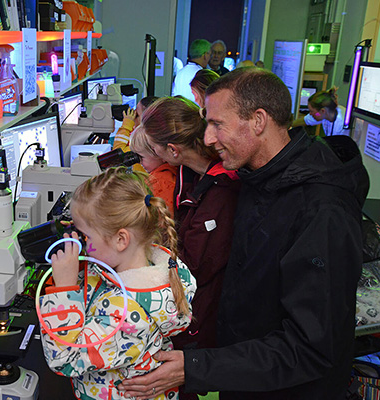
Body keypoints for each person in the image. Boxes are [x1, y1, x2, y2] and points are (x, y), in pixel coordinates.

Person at [119, 67, 369, 400]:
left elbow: (312, 348)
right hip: (246, 377)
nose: (207, 138)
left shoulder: (321, 211)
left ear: (258, 121)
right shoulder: (258, 176)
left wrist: (194, 368)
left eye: (217, 124)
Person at [39, 167, 197, 400]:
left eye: (85, 236)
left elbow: (64, 360)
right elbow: (100, 284)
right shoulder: (148, 269)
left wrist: (64, 289)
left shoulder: (127, 314)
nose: (80, 241)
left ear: (121, 239)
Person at [141, 97, 240, 399]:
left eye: (153, 148)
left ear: (172, 151)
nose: (152, 154)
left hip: (202, 310)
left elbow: (193, 267)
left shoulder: (220, 192)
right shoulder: (193, 174)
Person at [129, 125, 177, 214]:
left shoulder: (160, 182)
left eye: (141, 157)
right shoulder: (175, 171)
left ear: (159, 153)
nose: (139, 163)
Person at [113, 96, 159, 172]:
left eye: (136, 115)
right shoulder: (155, 135)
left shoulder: (145, 141)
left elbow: (118, 156)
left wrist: (126, 125)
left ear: (148, 119)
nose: (133, 117)